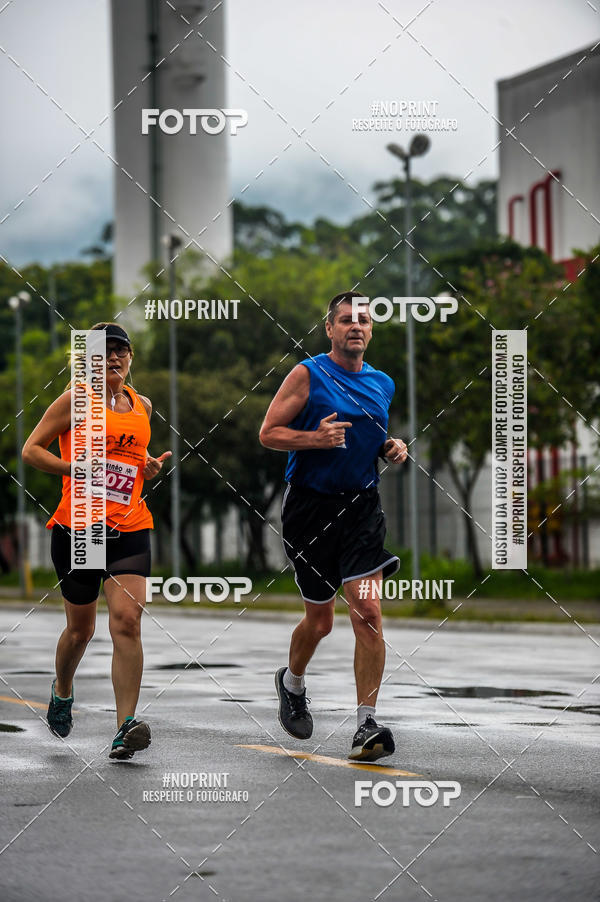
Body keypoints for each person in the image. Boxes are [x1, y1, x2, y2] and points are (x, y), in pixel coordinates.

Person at [259, 291, 408, 762]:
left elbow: (370, 436)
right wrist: (315, 438)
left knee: (368, 613)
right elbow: (268, 433)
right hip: (309, 510)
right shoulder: (307, 374)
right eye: (346, 320)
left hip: (362, 509)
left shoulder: (383, 382)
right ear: (329, 329)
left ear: (371, 329)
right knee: (320, 621)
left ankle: (366, 724)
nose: (355, 326)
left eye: (363, 319)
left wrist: (390, 447)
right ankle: (292, 682)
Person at [22, 323, 171, 760]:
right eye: (103, 351)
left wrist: (146, 465)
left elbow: (128, 454)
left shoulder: (141, 404)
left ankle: (125, 726)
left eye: (121, 349)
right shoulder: (75, 399)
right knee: (80, 630)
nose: (113, 357)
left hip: (131, 525)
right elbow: (32, 450)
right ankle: (63, 689)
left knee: (127, 620)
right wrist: (75, 468)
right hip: (81, 527)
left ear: (130, 357)